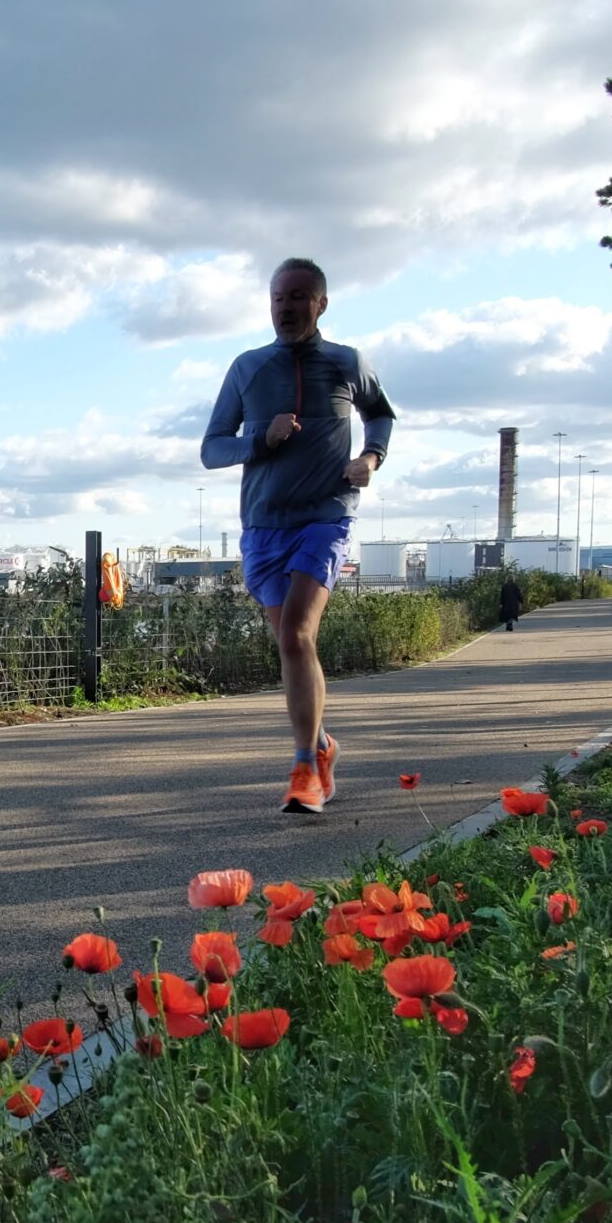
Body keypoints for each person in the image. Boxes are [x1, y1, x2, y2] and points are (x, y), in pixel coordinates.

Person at [200, 257, 397, 814]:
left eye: (298, 297)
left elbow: (381, 415)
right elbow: (212, 448)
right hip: (263, 525)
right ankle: (324, 745)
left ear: (321, 303)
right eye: (278, 298)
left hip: (326, 515)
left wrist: (371, 457)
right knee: (290, 646)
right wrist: (262, 438)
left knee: (296, 637)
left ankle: (305, 768)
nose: (286, 308)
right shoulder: (248, 368)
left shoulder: (345, 362)